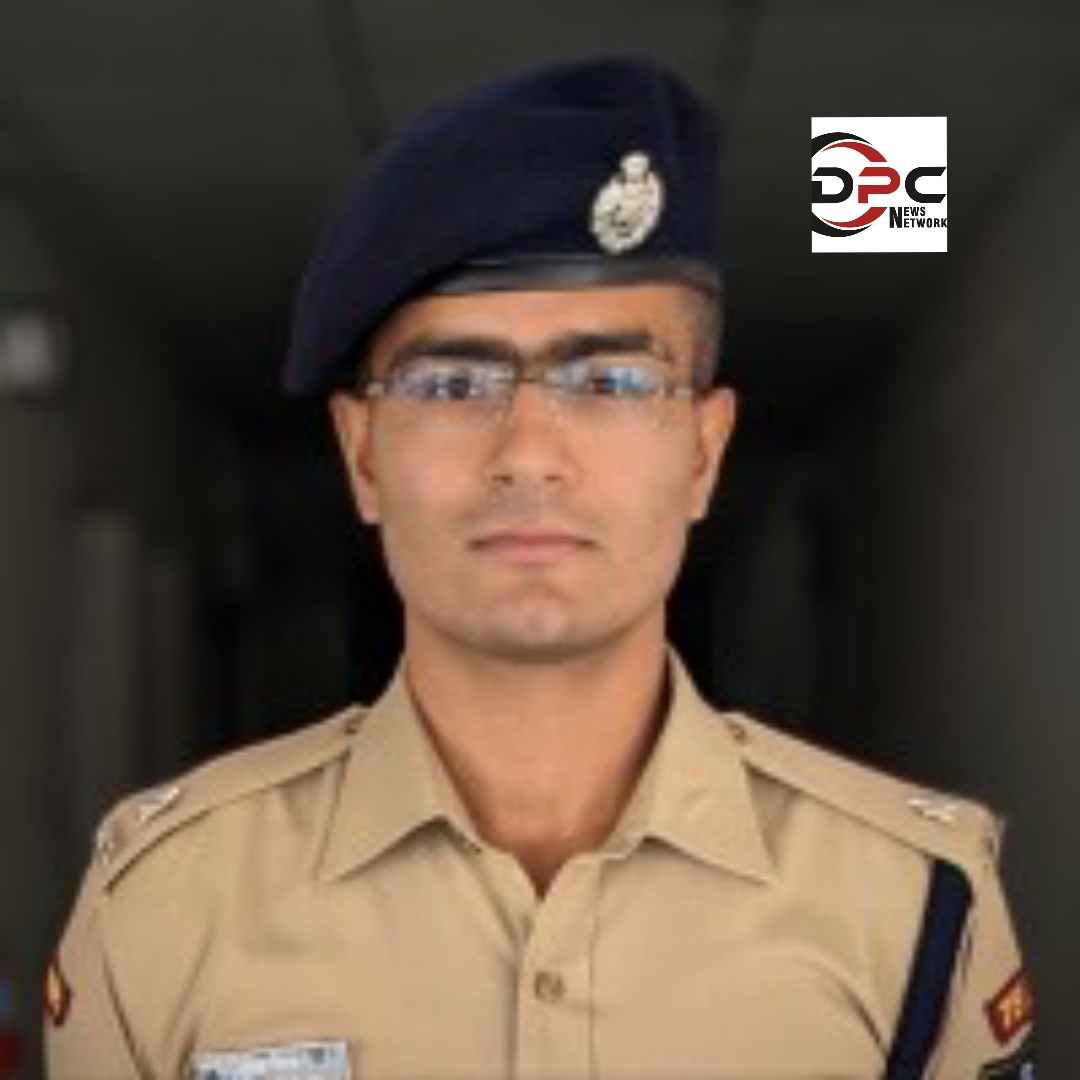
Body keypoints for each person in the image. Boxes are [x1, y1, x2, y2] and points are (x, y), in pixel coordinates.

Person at [46, 57, 1034, 1079]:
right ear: (362, 455)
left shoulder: (914, 906)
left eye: (610, 380)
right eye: (451, 381)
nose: (527, 453)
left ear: (703, 454)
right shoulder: (163, 907)